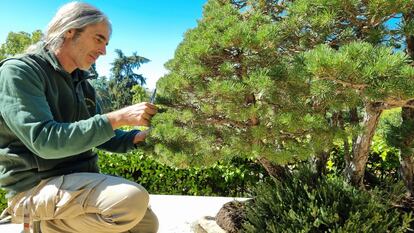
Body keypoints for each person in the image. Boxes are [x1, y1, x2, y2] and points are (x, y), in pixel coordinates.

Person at [0, 2, 159, 233]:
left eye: (106, 43)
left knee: (145, 224)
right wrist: (118, 117)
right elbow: (45, 141)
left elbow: (103, 136)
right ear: (70, 30)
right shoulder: (19, 72)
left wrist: (140, 137)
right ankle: (36, 224)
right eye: (98, 39)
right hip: (35, 188)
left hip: (76, 182)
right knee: (131, 199)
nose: (104, 50)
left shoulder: (81, 83)